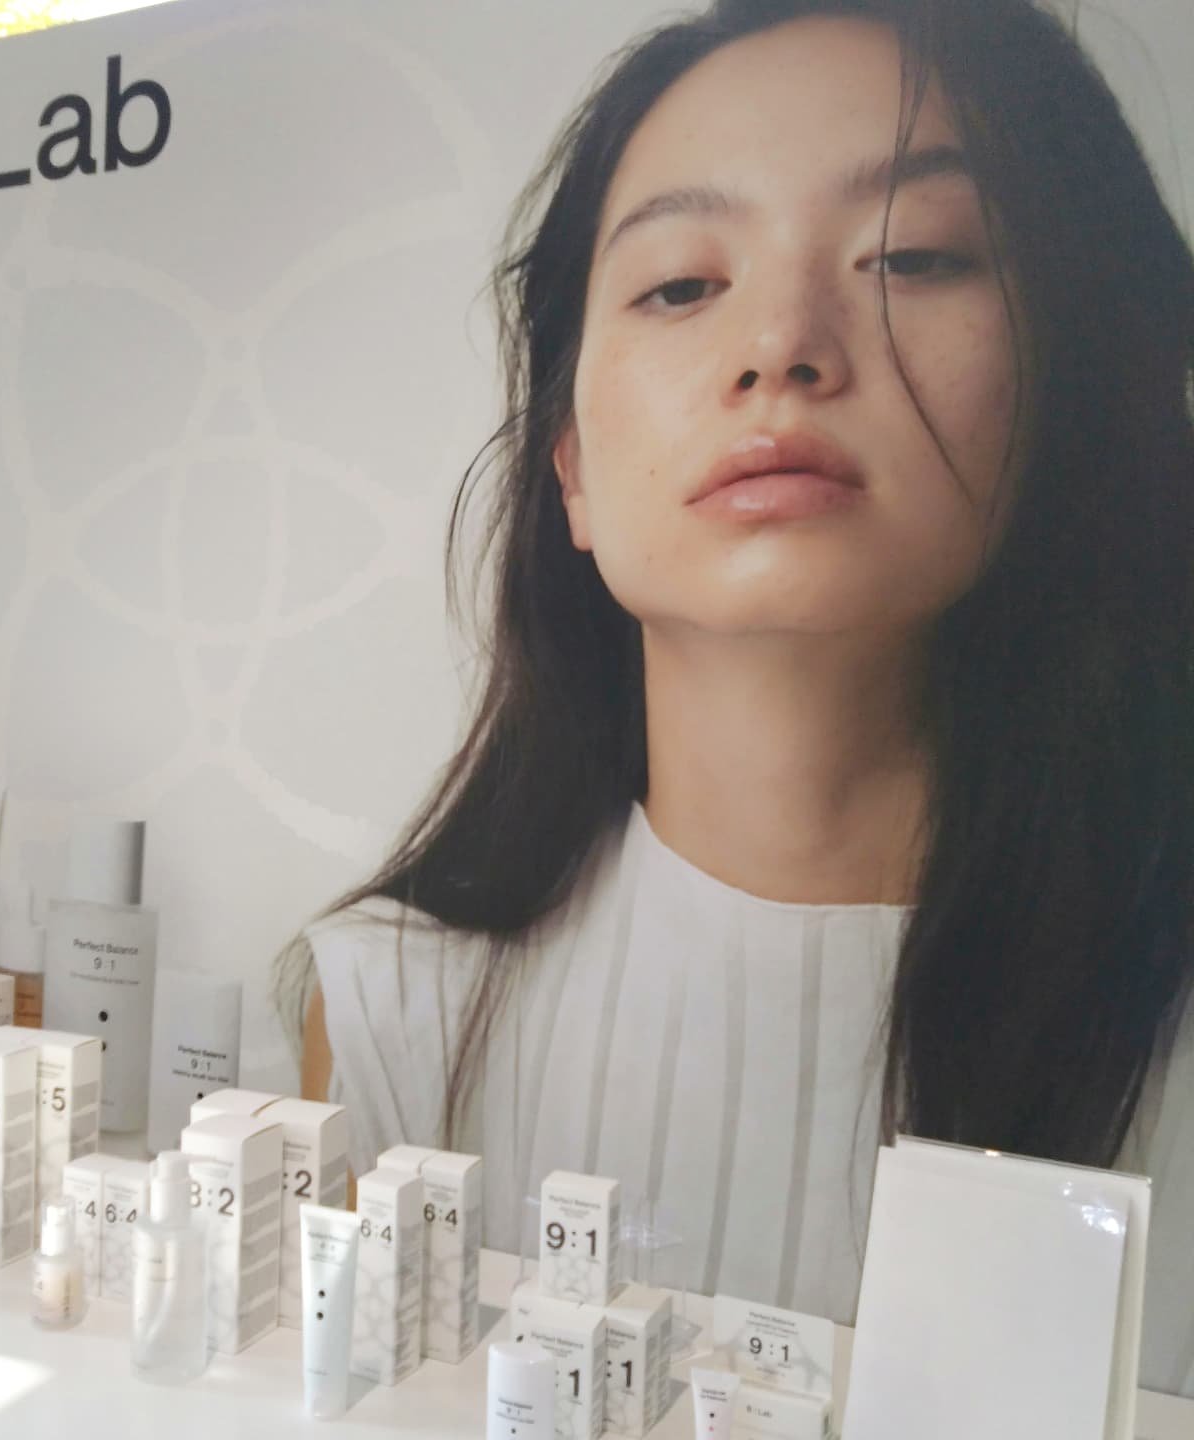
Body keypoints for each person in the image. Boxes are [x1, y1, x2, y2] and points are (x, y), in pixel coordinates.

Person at [277, 0, 1194, 1396]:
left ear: (1077, 391)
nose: (782, 347)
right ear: (571, 469)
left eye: (913, 256)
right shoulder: (394, 1014)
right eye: (680, 285)